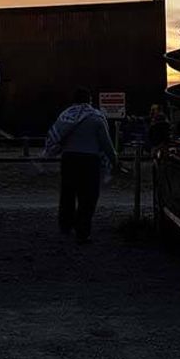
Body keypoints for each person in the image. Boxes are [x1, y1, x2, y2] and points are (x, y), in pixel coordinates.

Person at [45, 88, 118, 243]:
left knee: (68, 194)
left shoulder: (65, 117)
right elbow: (106, 144)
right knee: (88, 197)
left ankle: (65, 225)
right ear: (90, 101)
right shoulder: (97, 118)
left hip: (69, 159)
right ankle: (82, 230)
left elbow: (56, 137)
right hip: (90, 161)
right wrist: (115, 161)